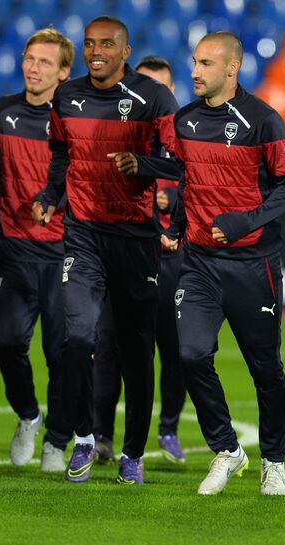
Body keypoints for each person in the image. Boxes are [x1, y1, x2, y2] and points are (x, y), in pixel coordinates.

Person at [32, 16, 178, 484]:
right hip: (83, 234)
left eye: (107, 44)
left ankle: (132, 451)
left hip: (135, 239)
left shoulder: (152, 98)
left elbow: (179, 159)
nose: (97, 51)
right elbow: (60, 155)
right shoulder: (66, 96)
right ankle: (83, 437)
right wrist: (51, 196)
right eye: (90, 44)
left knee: (136, 349)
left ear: (125, 49)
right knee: (77, 338)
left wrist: (144, 164)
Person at [161, 31, 285, 496]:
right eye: (194, 62)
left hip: (252, 265)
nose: (195, 72)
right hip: (199, 263)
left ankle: (274, 459)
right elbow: (188, 181)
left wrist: (248, 221)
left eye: (205, 63)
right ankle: (227, 448)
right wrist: (178, 225)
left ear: (231, 68)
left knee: (265, 368)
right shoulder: (183, 122)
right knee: (190, 355)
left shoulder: (262, 120)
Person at [0, 28, 75, 471]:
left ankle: (58, 437)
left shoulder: (71, 120)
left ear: (64, 72)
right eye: (30, 58)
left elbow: (79, 176)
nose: (34, 67)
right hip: (14, 250)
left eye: (45, 62)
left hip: (62, 252)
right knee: (8, 344)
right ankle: (29, 416)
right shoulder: (4, 110)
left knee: (61, 354)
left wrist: (56, 202)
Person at [93, 55, 187, 465]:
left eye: (161, 88)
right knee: (109, 344)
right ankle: (102, 436)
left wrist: (175, 202)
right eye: (144, 86)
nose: (150, 96)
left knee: (175, 348)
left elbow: (205, 184)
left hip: (172, 260)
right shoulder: (115, 136)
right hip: (126, 255)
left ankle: (167, 429)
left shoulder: (185, 138)